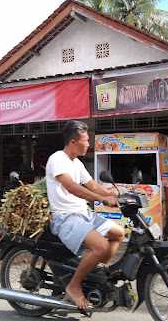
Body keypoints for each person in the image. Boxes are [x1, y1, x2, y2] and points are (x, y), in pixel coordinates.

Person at [46, 120, 124, 310]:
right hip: (66, 217)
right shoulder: (57, 159)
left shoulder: (77, 163)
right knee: (100, 246)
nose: (88, 144)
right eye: (86, 140)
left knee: (118, 233)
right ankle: (73, 285)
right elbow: (73, 188)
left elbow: (93, 186)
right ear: (73, 142)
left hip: (83, 213)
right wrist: (102, 200)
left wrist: (117, 193)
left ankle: (96, 273)